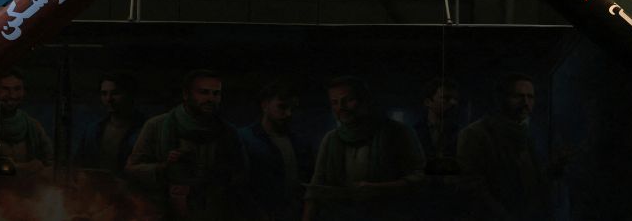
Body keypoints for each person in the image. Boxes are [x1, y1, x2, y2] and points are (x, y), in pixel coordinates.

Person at [125, 69, 247, 220]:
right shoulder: (157, 126)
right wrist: (164, 167)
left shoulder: (227, 132)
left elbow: (241, 173)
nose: (211, 98)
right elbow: (132, 169)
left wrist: (215, 176)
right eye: (204, 92)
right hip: (166, 211)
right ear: (186, 94)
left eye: (216, 93)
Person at [303, 76, 425, 221]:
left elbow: (420, 176)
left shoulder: (397, 132)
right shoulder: (331, 139)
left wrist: (381, 189)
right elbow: (316, 187)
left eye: (348, 100)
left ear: (365, 100)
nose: (340, 107)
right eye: (334, 102)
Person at [456, 73, 552, 221]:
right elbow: (473, 189)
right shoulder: (475, 134)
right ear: (501, 98)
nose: (525, 102)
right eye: (518, 96)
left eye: (530, 97)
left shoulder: (525, 134)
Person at [239, 82, 314, 221]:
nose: (288, 114)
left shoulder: (300, 143)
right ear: (265, 105)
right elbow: (240, 188)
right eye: (282, 107)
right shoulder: (244, 139)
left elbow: (308, 185)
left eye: (292, 108)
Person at [75, 71, 146, 174]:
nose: (109, 99)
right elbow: (79, 163)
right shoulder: (94, 130)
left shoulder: (145, 129)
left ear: (129, 95)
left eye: (115, 93)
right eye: (104, 94)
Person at [413, 78, 460, 173]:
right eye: (446, 98)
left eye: (455, 99)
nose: (453, 102)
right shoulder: (414, 132)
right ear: (428, 102)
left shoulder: (460, 132)